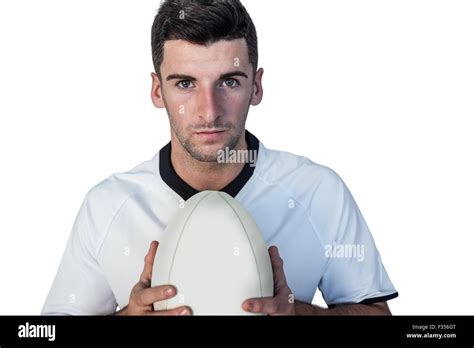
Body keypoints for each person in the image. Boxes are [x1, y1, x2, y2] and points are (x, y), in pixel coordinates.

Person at [42, 0, 398, 316]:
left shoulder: (319, 192)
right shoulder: (107, 205)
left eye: (229, 82)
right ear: (157, 90)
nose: (209, 111)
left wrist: (296, 315)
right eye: (185, 83)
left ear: (256, 86)